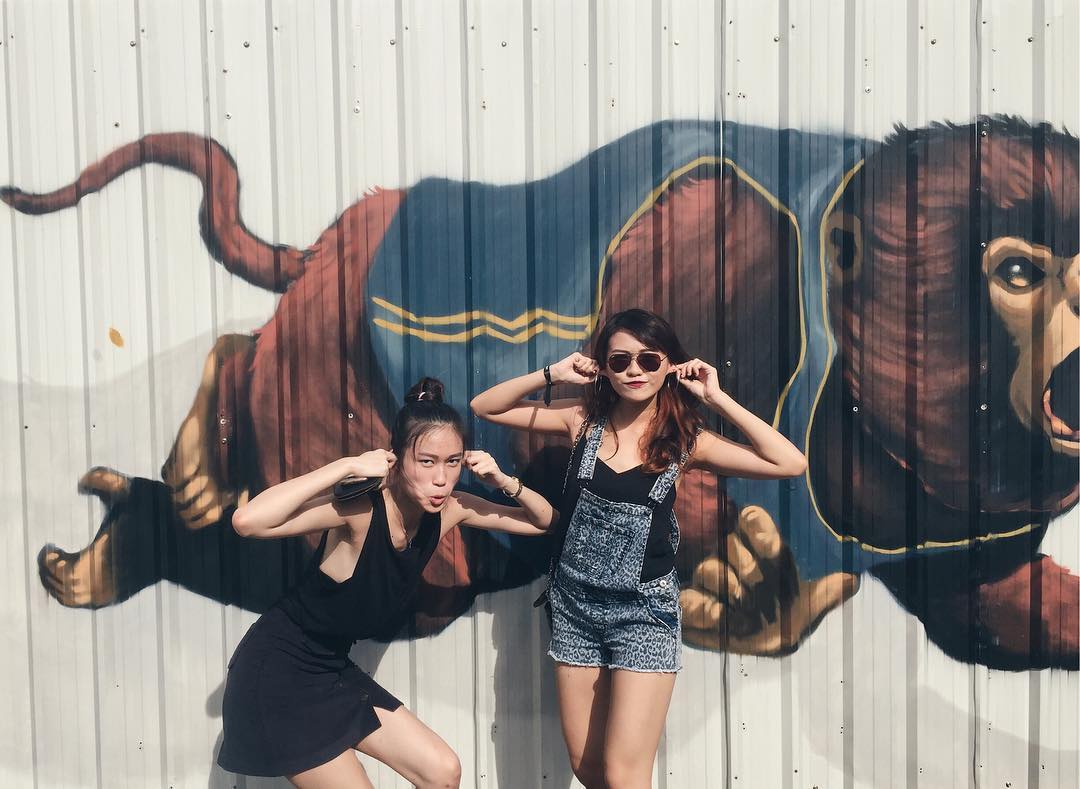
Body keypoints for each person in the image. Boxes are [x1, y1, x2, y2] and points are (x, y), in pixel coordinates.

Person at [471, 308, 807, 789]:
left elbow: (789, 463)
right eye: (620, 360)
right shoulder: (581, 421)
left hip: (643, 615)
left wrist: (717, 398)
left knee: (624, 774)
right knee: (588, 768)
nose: (634, 371)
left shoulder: (687, 441)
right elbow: (486, 406)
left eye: (649, 360)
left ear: (669, 365)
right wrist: (553, 374)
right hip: (574, 608)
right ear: (604, 368)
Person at [217, 377, 556, 788]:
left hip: (330, 668)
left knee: (441, 772)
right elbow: (248, 521)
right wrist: (346, 466)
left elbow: (543, 521)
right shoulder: (361, 511)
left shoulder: (451, 509)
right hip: (277, 674)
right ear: (395, 459)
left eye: (452, 462)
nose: (441, 478)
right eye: (426, 461)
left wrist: (503, 481)